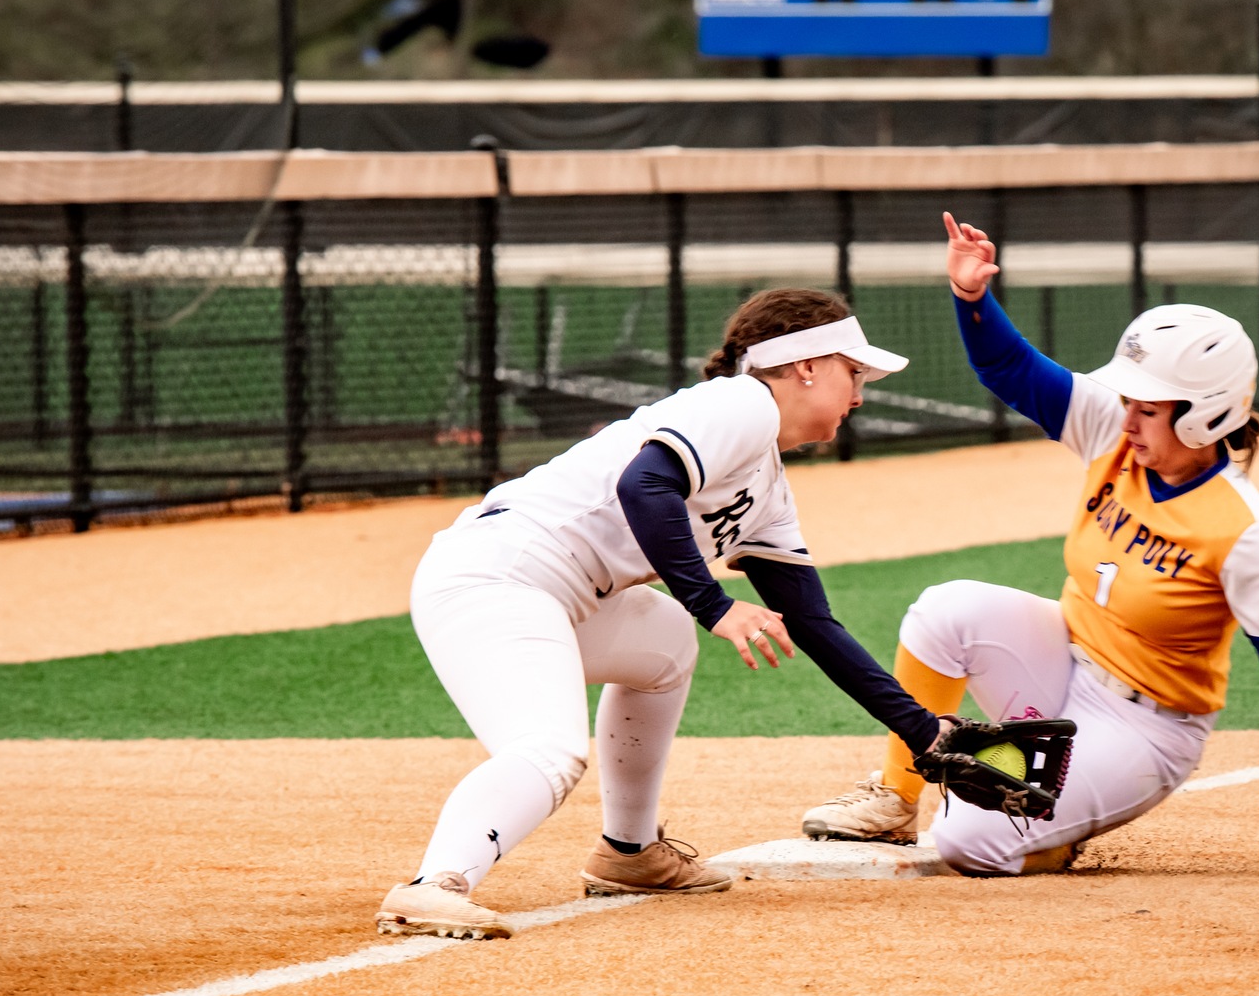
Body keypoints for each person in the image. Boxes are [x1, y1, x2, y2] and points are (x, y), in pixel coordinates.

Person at [798, 214, 1259, 880]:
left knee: (964, 839)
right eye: (1128, 399)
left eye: (1149, 406)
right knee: (944, 610)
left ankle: (1051, 836)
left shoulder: (1246, 532)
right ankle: (897, 793)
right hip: (1063, 661)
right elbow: (1010, 369)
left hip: (1145, 729)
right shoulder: (1116, 436)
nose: (1127, 416)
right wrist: (971, 298)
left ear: (1205, 414)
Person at [378, 288, 952, 938]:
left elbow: (814, 624)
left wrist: (925, 735)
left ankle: (629, 851)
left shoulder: (766, 484)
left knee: (664, 641)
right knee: (549, 748)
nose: (860, 393)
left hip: (562, 586)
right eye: (855, 372)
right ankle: (434, 883)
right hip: (500, 572)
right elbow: (644, 484)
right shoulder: (741, 402)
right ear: (805, 365)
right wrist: (712, 604)